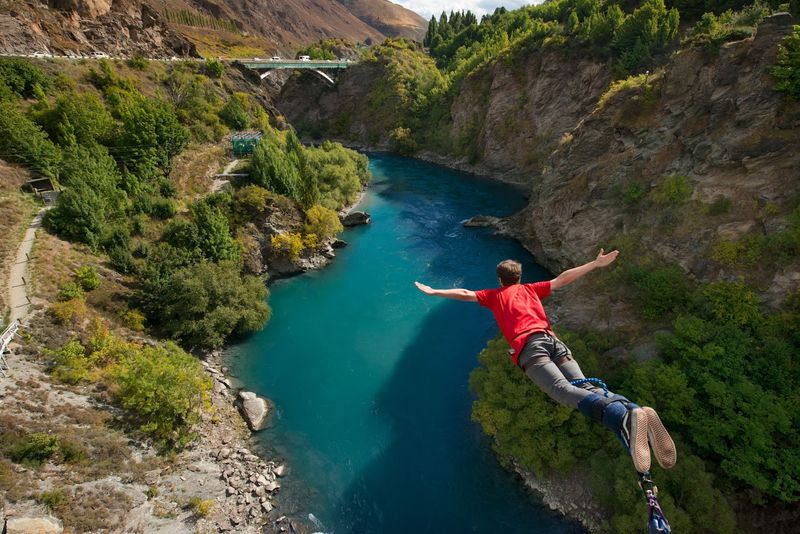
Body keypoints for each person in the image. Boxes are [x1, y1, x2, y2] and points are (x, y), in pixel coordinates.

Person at [414, 249, 676, 473]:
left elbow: (465, 292)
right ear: (519, 277)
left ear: (500, 280)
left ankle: (622, 418)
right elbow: (562, 279)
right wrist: (595, 264)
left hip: (530, 347)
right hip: (553, 342)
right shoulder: (531, 289)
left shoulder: (495, 296)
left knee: (561, 390)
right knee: (585, 386)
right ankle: (632, 408)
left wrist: (434, 291)